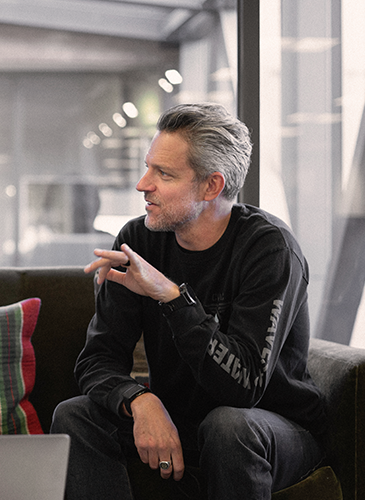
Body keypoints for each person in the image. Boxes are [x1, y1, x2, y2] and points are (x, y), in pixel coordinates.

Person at [50, 103, 327, 499]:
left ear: (211, 186)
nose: (143, 184)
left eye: (163, 174)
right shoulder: (139, 240)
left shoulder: (269, 248)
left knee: (228, 425)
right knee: (74, 415)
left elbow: (243, 387)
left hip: (272, 427)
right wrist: (139, 400)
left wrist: (172, 297)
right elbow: (97, 359)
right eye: (148, 167)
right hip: (181, 421)